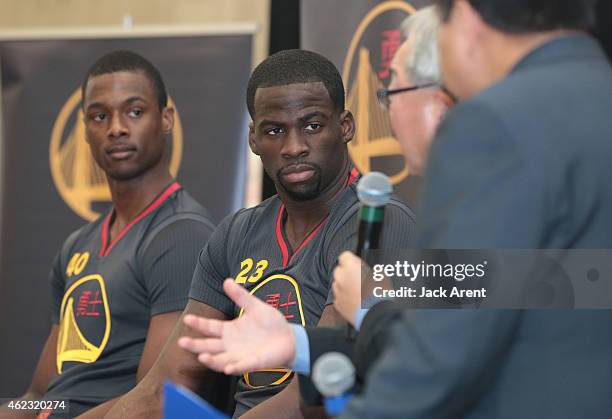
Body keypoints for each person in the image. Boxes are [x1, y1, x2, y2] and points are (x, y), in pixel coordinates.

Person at [179, 0, 612, 417]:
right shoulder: (593, 92)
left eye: (391, 92)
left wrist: (373, 304)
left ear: (463, 17)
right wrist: (301, 345)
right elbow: (553, 281)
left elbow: (445, 353)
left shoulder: (497, 123)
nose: (387, 110)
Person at [106, 49, 416, 418]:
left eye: (312, 126)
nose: (294, 147)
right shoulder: (235, 234)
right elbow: (166, 385)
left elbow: (317, 385)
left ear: (345, 126)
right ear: (253, 139)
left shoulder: (378, 223)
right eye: (274, 131)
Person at [0, 51, 216, 419]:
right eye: (100, 116)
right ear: (85, 129)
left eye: (134, 112)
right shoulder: (76, 246)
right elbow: (41, 394)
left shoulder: (183, 236)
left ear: (166, 119)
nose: (116, 127)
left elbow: (157, 398)